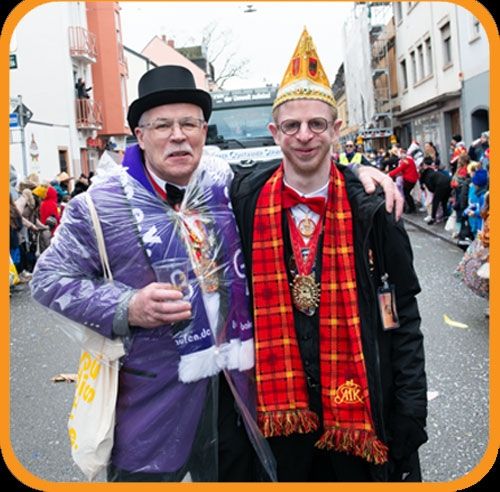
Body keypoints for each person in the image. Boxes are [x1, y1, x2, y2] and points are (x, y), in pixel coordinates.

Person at [31, 64, 402, 483]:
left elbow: (301, 168)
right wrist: (127, 305)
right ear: (140, 135)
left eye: (189, 124)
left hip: (238, 400)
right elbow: (48, 279)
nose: (178, 136)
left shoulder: (224, 183)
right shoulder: (100, 205)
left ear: (204, 131)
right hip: (153, 405)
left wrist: (356, 174)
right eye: (163, 125)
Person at [230, 28, 427, 482]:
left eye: (317, 124)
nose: (304, 136)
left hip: (360, 407)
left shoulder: (375, 211)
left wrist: (410, 410)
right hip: (280, 414)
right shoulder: (245, 199)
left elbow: (404, 314)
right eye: (291, 126)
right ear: (275, 133)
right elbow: (178, 168)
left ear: (336, 130)